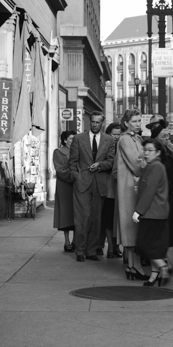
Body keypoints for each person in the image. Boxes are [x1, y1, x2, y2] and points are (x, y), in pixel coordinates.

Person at [68, 112, 115, 262]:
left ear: (102, 123)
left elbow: (111, 161)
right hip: (82, 183)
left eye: (97, 122)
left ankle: (91, 250)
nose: (94, 125)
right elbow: (72, 161)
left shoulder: (109, 140)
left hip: (100, 183)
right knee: (83, 218)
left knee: (96, 219)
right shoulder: (78, 138)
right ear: (90, 122)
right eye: (92, 122)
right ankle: (80, 250)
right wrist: (76, 177)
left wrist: (100, 165)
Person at [114, 109, 151, 280]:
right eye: (135, 121)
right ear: (126, 122)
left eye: (139, 121)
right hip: (130, 187)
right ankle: (133, 266)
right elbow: (137, 164)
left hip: (133, 186)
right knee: (131, 226)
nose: (138, 124)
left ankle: (132, 266)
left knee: (133, 226)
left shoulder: (136, 138)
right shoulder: (125, 139)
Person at [132, 138, 170, 286]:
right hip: (155, 212)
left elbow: (150, 191)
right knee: (154, 246)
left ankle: (163, 267)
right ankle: (154, 277)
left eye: (150, 150)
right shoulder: (152, 166)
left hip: (153, 213)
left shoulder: (155, 167)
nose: (146, 153)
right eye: (145, 150)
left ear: (158, 152)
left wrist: (138, 211)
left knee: (145, 245)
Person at [100, 123, 122, 258]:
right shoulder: (105, 148)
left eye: (119, 134)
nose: (116, 137)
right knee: (108, 220)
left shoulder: (122, 147)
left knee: (117, 220)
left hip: (119, 189)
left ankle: (115, 247)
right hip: (108, 189)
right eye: (114, 134)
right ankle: (110, 248)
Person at [52, 130, 76, 252]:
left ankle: (76, 240)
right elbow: (60, 170)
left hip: (78, 186)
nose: (73, 141)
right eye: (71, 139)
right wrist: (75, 176)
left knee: (77, 213)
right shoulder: (59, 152)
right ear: (65, 140)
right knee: (66, 214)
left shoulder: (79, 151)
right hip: (65, 186)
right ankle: (67, 241)